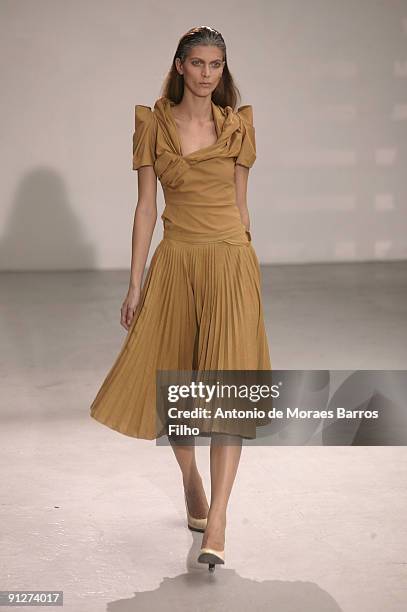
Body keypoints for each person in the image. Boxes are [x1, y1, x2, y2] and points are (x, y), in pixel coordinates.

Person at [90, 25, 271, 572]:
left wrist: (247, 271)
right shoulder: (154, 126)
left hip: (229, 260)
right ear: (179, 65)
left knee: (227, 391)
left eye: (215, 65)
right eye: (197, 64)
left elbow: (242, 205)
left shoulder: (238, 127)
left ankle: (217, 521)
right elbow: (146, 207)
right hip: (176, 263)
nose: (206, 74)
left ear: (223, 71)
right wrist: (134, 281)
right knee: (181, 385)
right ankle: (190, 481)